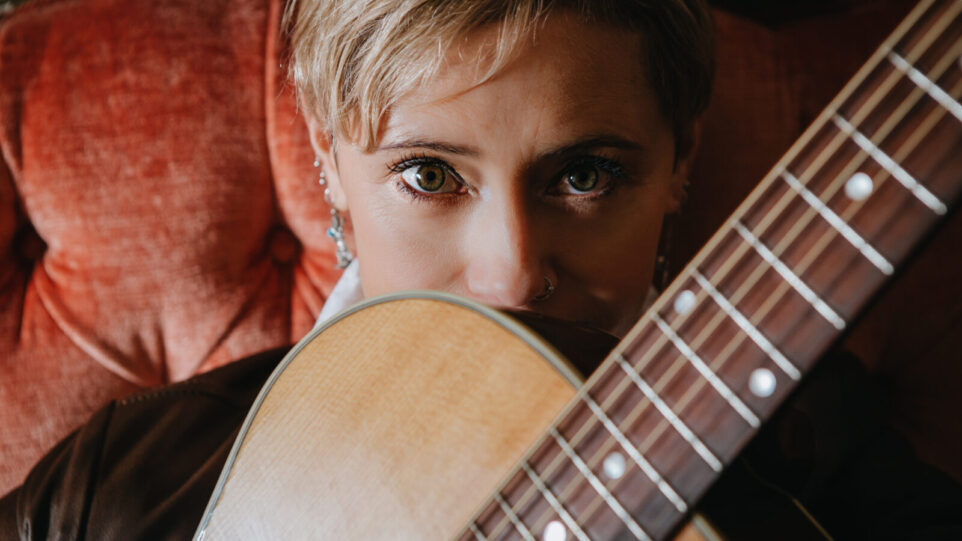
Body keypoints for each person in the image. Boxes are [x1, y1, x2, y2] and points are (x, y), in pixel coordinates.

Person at [1, 0, 960, 539]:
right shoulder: (119, 490)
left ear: (679, 164)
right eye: (428, 174)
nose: (511, 276)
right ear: (330, 160)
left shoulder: (815, 449)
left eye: (585, 174)